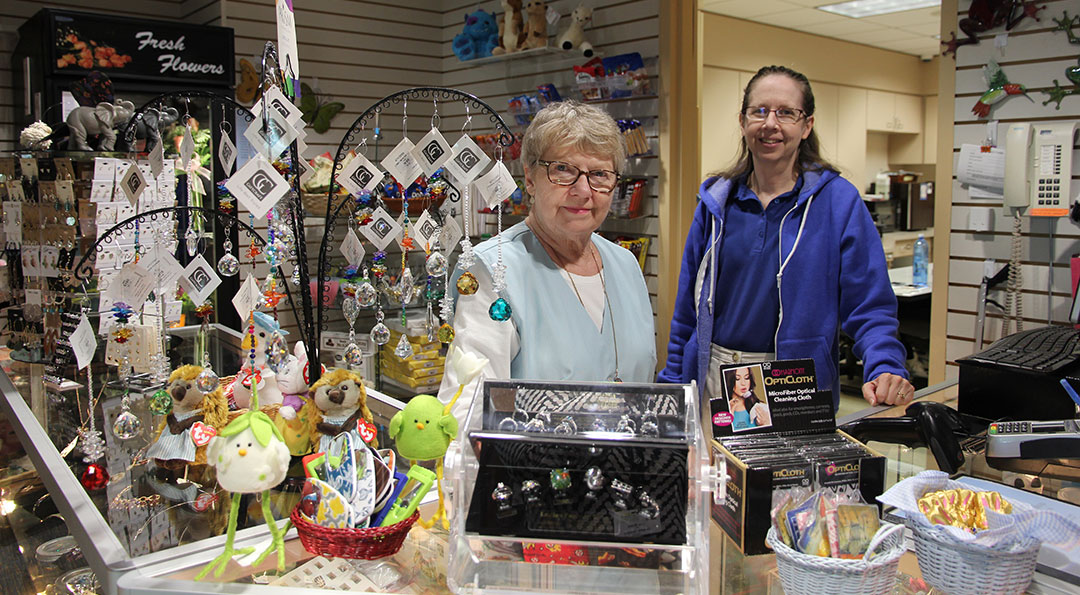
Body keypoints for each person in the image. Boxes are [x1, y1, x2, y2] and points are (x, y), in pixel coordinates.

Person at [659, 65, 914, 410]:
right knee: (714, 466)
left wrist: (884, 365)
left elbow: (869, 304)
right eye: (759, 111)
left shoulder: (838, 201)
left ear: (807, 125)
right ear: (742, 120)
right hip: (714, 377)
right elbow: (688, 309)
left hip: (795, 382)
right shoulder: (716, 202)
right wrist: (674, 381)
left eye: (786, 113)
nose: (770, 124)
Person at [439, 101, 657, 420]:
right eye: (563, 170)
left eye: (599, 174)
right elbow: (470, 407)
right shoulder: (492, 270)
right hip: (531, 466)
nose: (583, 191)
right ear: (529, 179)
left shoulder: (626, 264)